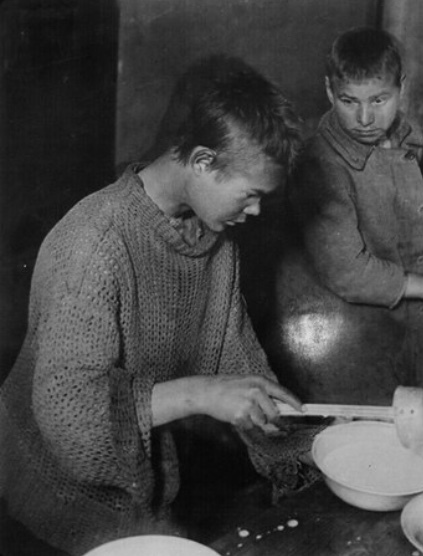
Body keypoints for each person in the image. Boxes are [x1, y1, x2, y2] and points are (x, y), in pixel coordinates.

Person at [0, 63, 305, 555]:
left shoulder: (213, 238)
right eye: (251, 196)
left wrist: (298, 450)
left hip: (144, 486)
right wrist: (201, 394)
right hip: (53, 499)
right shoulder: (94, 243)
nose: (256, 213)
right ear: (203, 161)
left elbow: (234, 358)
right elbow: (70, 417)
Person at [263, 27, 423, 406]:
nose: (364, 117)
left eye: (379, 99)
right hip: (344, 335)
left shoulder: (403, 138)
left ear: (402, 88)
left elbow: (395, 217)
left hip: (400, 320)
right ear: (328, 91)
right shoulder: (320, 164)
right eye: (348, 100)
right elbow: (347, 272)